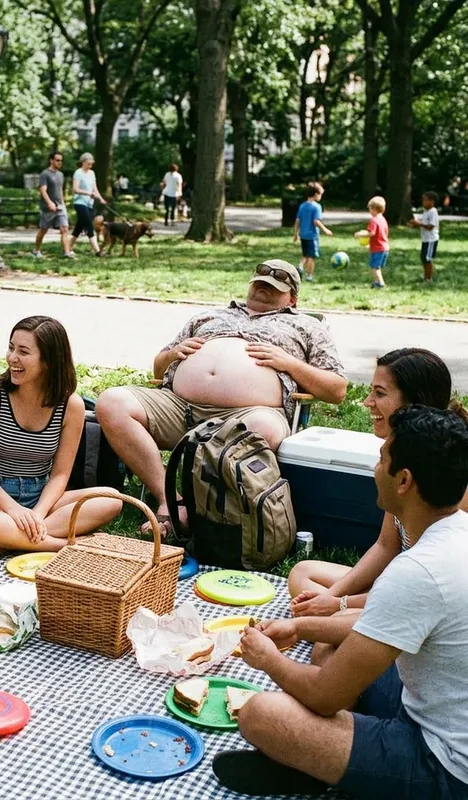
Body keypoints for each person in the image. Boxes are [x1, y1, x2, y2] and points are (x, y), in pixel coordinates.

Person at [213, 405, 468, 800]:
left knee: (261, 714)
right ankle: (327, 761)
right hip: (434, 707)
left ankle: (324, 768)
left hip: (446, 767)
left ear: (404, 480)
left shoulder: (417, 570)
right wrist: (301, 626)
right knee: (334, 645)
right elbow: (372, 628)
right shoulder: (456, 532)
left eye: (382, 458)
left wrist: (267, 658)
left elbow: (322, 696)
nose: (374, 468)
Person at [95, 260, 347, 538]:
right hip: (179, 407)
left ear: (292, 299)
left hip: (248, 413)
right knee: (112, 402)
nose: (263, 290)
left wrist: (289, 363)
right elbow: (159, 368)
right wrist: (173, 354)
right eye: (260, 284)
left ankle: (204, 510)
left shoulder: (306, 326)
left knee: (264, 429)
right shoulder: (209, 316)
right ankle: (169, 498)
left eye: (273, 288)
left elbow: (336, 390)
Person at [288, 348, 468, 615]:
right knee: (303, 573)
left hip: (425, 597)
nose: (367, 402)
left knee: (329, 637)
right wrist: (329, 600)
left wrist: (339, 605)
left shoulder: (443, 470)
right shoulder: (399, 452)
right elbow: (386, 546)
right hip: (397, 585)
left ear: (414, 403)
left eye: (380, 394)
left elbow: (425, 584)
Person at [0, 315, 123, 561]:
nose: (12, 357)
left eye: (24, 351)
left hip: (41, 496)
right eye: (11, 347)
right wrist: (12, 509)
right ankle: (59, 545)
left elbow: (60, 475)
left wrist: (37, 513)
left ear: (48, 361)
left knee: (112, 499)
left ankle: (6, 540)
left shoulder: (71, 405)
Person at [33, 152, 74, 259]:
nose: (60, 162)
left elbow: (60, 191)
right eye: (57, 160)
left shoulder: (61, 175)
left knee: (64, 229)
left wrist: (63, 204)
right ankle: (36, 250)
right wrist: (49, 202)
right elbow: (42, 190)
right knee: (43, 229)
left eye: (61, 160)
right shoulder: (45, 174)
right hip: (48, 208)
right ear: (51, 160)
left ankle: (66, 253)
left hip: (60, 207)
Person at [293, 181, 332, 282]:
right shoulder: (316, 207)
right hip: (312, 236)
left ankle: (300, 267)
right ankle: (309, 276)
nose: (321, 197)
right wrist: (325, 230)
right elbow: (316, 221)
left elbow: (298, 220)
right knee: (311, 256)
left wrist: (296, 234)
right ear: (315, 194)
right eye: (320, 194)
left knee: (305, 254)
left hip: (303, 235)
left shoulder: (302, 206)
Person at [69, 152, 106, 256]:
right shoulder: (78, 172)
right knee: (89, 225)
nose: (90, 165)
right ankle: (97, 251)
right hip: (80, 203)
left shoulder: (92, 173)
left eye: (91, 164)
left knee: (79, 227)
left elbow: (95, 189)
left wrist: (101, 198)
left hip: (89, 203)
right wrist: (88, 193)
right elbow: (75, 189)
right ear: (83, 162)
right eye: (89, 163)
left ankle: (68, 248)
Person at [355, 195, 389, 289]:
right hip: (384, 247)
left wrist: (360, 234)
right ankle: (377, 281)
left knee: (374, 267)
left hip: (378, 248)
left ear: (373, 209)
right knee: (377, 267)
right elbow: (383, 234)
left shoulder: (374, 220)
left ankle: (380, 283)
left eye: (369, 209)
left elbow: (372, 233)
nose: (369, 211)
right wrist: (370, 244)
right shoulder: (383, 219)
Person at [408, 190, 440, 283]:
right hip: (425, 239)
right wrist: (414, 225)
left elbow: (430, 226)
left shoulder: (433, 211)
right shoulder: (426, 212)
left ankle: (428, 279)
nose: (423, 202)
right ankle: (426, 276)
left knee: (427, 258)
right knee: (423, 257)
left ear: (432, 201)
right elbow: (423, 224)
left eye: (425, 200)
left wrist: (419, 223)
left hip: (431, 239)